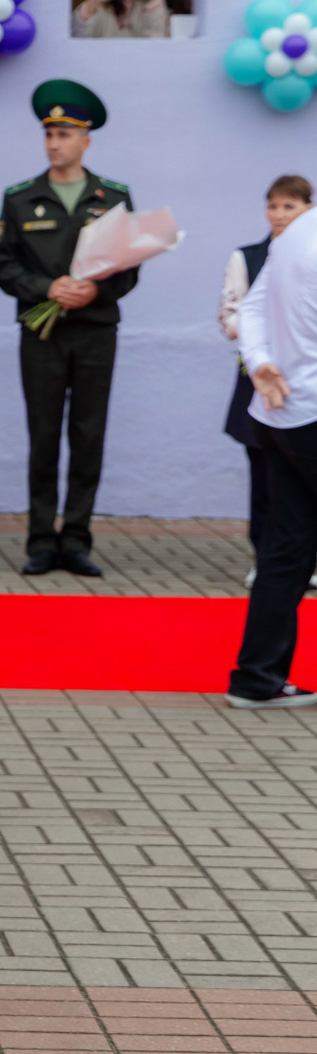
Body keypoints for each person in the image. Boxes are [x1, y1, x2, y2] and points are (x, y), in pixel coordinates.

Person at [0, 79, 139, 577]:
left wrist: (97, 291)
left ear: (86, 140)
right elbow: (1, 264)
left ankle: (76, 539)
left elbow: (129, 268)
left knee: (88, 435)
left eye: (65, 134)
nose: (54, 143)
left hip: (96, 331)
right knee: (44, 435)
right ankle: (40, 540)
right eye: (49, 133)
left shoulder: (113, 196)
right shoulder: (20, 198)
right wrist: (45, 288)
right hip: (42, 333)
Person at [231, 181, 317, 708]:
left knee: (285, 550)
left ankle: (257, 680)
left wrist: (260, 361)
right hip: (306, 412)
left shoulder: (295, 234)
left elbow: (252, 308)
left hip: (282, 413)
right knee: (286, 550)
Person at [221, 176, 317, 587]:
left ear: (308, 208)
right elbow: (239, 314)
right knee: (268, 484)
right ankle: (265, 557)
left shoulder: (298, 247)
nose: (279, 214)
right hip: (267, 386)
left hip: (301, 392)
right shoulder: (254, 255)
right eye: (272, 206)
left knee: (295, 502)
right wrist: (259, 356)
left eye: (288, 206)